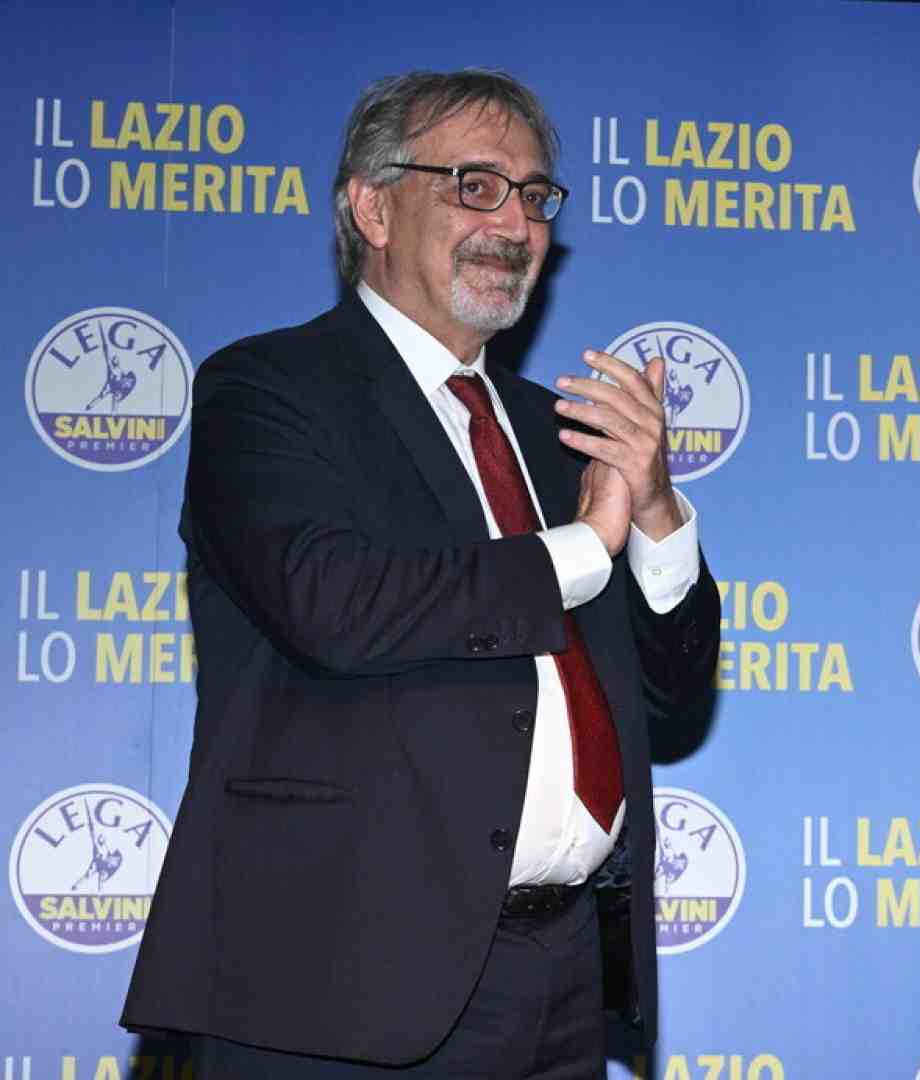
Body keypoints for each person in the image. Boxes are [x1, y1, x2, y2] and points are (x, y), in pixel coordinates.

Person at [120, 69, 720, 1076]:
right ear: (371, 206)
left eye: (535, 196)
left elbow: (669, 696)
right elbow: (330, 604)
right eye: (476, 186)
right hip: (337, 985)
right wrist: (584, 548)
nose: (515, 223)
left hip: (562, 984)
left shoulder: (559, 434)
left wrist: (657, 512)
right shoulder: (268, 390)